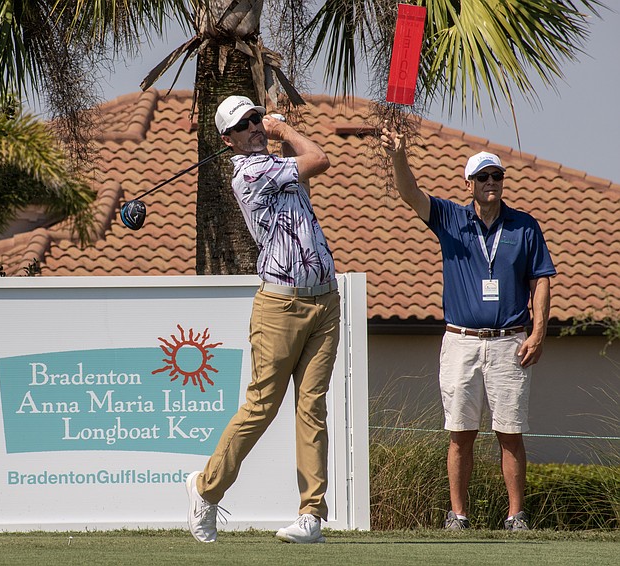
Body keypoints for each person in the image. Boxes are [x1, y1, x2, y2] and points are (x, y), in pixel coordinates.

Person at [380, 125, 555, 531]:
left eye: (497, 176)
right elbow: (410, 193)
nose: (491, 183)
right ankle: (457, 516)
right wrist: (398, 156)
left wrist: (539, 331)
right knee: (460, 433)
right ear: (470, 184)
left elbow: (541, 279)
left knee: (510, 432)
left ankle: (516, 517)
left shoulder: (524, 226)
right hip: (461, 341)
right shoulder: (450, 218)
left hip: (510, 342)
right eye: (483, 177)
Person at [184, 95, 341, 544]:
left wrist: (280, 131)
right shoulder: (250, 171)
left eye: (256, 118)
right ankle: (205, 489)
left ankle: (311, 514)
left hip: (324, 301)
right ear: (227, 139)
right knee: (261, 406)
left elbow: (305, 169)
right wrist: (282, 129)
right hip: (280, 306)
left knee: (312, 407)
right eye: (244, 124)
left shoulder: (276, 165)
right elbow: (321, 159)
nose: (254, 126)